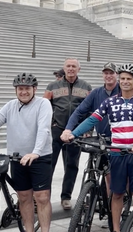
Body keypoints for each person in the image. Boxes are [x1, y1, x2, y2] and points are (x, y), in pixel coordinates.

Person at [61, 63, 133, 232]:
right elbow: (92, 119)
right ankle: (116, 229)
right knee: (116, 193)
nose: (125, 82)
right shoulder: (110, 102)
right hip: (117, 153)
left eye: (129, 79)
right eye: (123, 78)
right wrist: (73, 133)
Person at [0, 73, 53, 232]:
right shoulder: (10, 106)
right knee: (23, 197)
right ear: (16, 90)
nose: (24, 92)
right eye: (20, 89)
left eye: (27, 88)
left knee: (42, 198)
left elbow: (44, 129)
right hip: (17, 158)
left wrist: (35, 152)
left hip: (40, 157)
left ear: (34, 89)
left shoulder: (43, 104)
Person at [43, 57, 92, 210]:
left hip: (75, 132)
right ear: (64, 68)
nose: (71, 68)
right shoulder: (52, 86)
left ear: (79, 69)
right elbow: (44, 108)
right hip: (56, 130)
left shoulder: (86, 86)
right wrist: (48, 126)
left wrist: (88, 130)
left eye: (74, 66)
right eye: (68, 66)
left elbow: (91, 110)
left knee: (71, 165)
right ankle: (44, 197)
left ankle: (66, 197)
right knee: (48, 165)